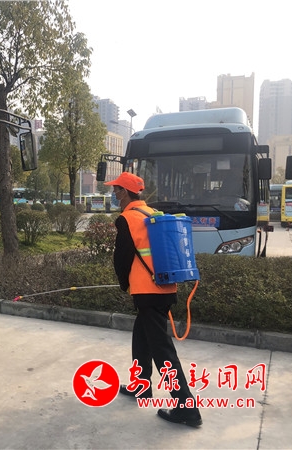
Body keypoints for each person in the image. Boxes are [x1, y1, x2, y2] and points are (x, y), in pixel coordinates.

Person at [107, 172, 203, 428]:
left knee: (162, 350)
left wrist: (124, 284)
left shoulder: (127, 218)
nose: (114, 194)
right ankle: (141, 386)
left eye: (116, 190)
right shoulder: (151, 213)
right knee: (142, 335)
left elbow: (122, 258)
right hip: (165, 286)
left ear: (125, 192)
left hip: (147, 291)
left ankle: (187, 408)